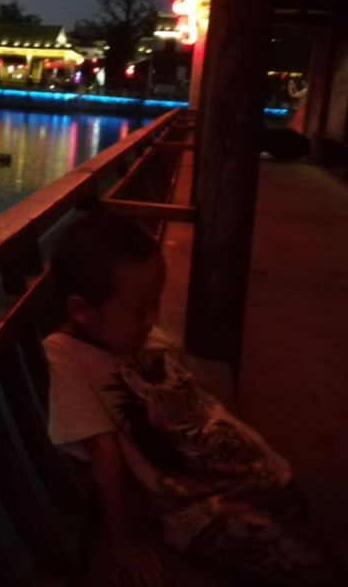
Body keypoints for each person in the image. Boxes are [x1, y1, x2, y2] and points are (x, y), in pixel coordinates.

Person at [44, 206, 343, 587]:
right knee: (310, 567)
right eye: (140, 311)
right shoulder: (66, 356)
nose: (153, 319)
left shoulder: (134, 335)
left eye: (156, 303)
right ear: (81, 310)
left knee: (307, 533)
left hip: (235, 471)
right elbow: (104, 450)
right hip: (191, 507)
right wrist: (122, 539)